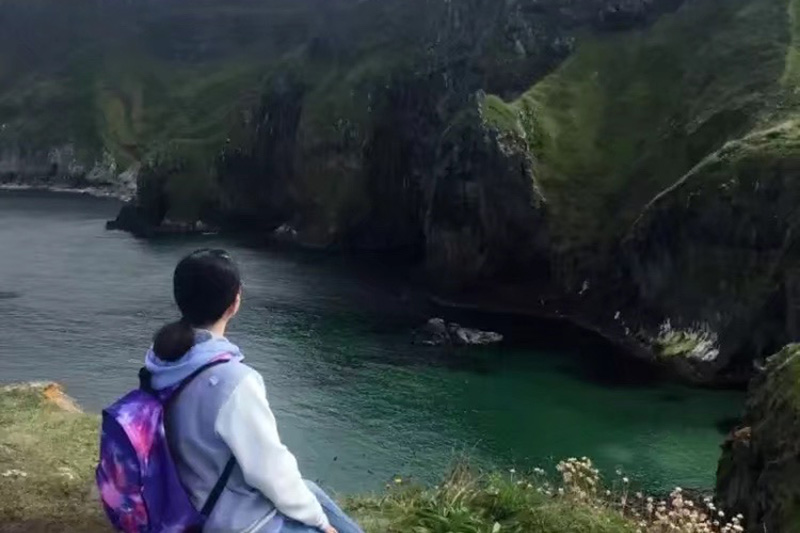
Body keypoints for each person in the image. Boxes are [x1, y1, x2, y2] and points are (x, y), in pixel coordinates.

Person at [145, 249, 363, 533]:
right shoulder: (232, 381)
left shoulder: (160, 360)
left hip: (179, 501)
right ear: (235, 302)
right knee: (313, 511)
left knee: (309, 491)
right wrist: (322, 524)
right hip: (227, 523)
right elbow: (270, 470)